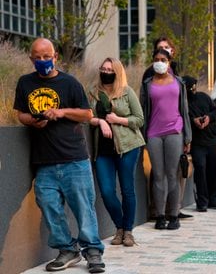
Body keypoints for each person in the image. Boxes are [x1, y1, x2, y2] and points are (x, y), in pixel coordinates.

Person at [13, 38, 105, 273]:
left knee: (84, 208)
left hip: (74, 158)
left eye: (47, 56)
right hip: (44, 161)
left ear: (55, 57)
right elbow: (20, 113)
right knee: (48, 205)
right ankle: (67, 250)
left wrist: (61, 112)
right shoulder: (25, 83)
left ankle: (92, 251)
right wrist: (32, 121)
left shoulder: (70, 83)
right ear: (31, 59)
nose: (42, 61)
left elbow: (86, 114)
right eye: (37, 57)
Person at [88, 57, 145, 247]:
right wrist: (101, 121)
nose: (105, 72)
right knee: (106, 191)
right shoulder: (93, 92)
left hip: (128, 146)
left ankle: (127, 231)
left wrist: (117, 120)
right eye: (102, 68)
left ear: (117, 72)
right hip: (103, 149)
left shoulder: (127, 92)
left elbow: (139, 119)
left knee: (127, 189)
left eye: (109, 69)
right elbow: (88, 117)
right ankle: (119, 226)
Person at [141, 37, 192, 220]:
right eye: (156, 60)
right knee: (158, 175)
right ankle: (160, 215)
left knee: (172, 174)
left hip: (175, 131)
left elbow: (184, 110)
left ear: (169, 61)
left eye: (163, 60)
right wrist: (143, 135)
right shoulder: (147, 84)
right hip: (154, 133)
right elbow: (143, 111)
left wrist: (187, 137)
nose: (160, 63)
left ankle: (173, 214)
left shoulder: (179, 82)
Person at [185, 75, 216, 211]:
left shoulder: (203, 96)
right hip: (196, 142)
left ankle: (213, 199)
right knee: (200, 169)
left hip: (211, 140)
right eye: (190, 86)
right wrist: (193, 120)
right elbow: (182, 118)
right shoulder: (183, 102)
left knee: (214, 171)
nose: (193, 89)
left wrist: (208, 118)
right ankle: (202, 201)